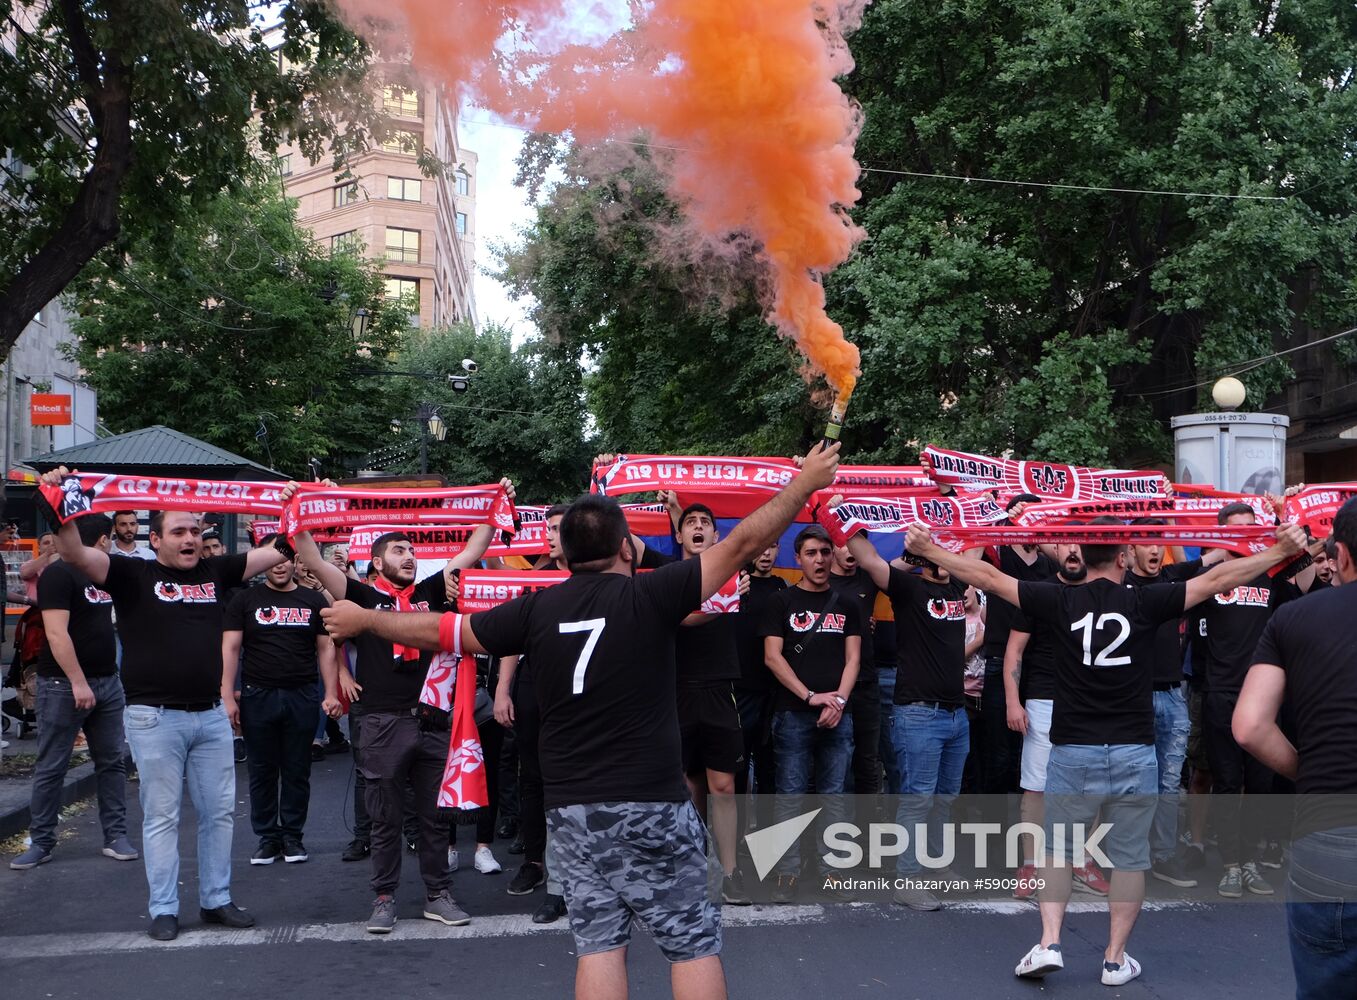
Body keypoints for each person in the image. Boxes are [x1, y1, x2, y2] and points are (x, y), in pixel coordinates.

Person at [321, 442, 842, 1000]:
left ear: (565, 554)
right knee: (691, 945)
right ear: (625, 547)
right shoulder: (653, 593)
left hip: (571, 810)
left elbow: (445, 632)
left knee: (598, 946)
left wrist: (366, 618)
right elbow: (742, 543)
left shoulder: (536, 609)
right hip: (651, 803)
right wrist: (804, 483)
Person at [904, 514, 1305, 986]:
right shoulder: (1145, 599)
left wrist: (929, 551)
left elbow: (989, 578)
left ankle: (1050, 942)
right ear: (1122, 557)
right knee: (1130, 858)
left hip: (1074, 749)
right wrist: (1279, 552)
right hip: (1134, 750)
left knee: (1056, 851)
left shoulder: (1058, 598)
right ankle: (1114, 959)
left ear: (1086, 556)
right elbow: (1217, 579)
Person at [40, 468, 296, 943]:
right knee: (162, 817)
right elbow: (73, 552)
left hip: (211, 717)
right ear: (154, 539)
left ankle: (216, 899)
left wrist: (294, 505)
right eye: (178, 531)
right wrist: (58, 500)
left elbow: (283, 548)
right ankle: (163, 908)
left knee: (219, 813)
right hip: (154, 718)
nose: (190, 539)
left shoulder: (216, 571)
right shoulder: (130, 573)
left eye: (195, 530)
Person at [289, 480, 512, 934]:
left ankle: (438, 894)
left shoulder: (432, 589)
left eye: (411, 550)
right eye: (398, 551)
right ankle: (384, 898)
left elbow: (475, 548)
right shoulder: (361, 596)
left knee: (434, 818)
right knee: (384, 819)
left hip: (432, 721)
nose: (409, 556)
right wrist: (298, 505)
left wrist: (496, 504)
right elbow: (310, 557)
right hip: (380, 722)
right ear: (376, 563)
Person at [1235, 496, 1357, 999]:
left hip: (1330, 832)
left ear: (1340, 554)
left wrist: (1310, 772)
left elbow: (1249, 726)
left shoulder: (1295, 618)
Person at [844, 514, 972, 911]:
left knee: (945, 799)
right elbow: (867, 558)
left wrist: (984, 503)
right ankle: (907, 878)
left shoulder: (958, 584)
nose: (945, 553)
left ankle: (935, 865)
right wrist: (837, 515)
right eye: (936, 547)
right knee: (918, 799)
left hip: (956, 714)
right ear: (922, 554)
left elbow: (978, 544)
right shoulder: (908, 587)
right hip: (919, 715)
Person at [10, 514, 137, 870]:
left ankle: (115, 835)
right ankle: (42, 842)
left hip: (107, 681)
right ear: (102, 540)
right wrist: (78, 682)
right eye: (110, 539)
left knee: (112, 762)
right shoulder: (59, 574)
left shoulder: (104, 574)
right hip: (63, 685)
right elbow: (55, 633)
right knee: (52, 765)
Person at [1197, 502, 1305, 896]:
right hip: (1219, 692)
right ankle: (1229, 864)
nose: (1245, 533)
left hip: (1262, 697)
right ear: (1222, 533)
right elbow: (1174, 584)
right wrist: (1212, 556)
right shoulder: (1208, 576)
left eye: (1251, 527)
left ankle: (1249, 861)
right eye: (1236, 528)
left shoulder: (1270, 575)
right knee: (1227, 783)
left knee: (1260, 783)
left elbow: (1306, 579)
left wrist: (1289, 519)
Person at [221, 536, 341, 866]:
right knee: (261, 770)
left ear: (296, 562)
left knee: (296, 770)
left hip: (302, 695)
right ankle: (268, 839)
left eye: (286, 558)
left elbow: (326, 648)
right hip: (257, 695)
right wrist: (226, 695)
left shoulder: (313, 600)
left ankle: (292, 837)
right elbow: (230, 648)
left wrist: (331, 693)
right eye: (273, 557)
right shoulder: (245, 600)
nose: (280, 564)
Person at [761, 524, 861, 901]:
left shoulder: (847, 603)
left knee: (836, 795)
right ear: (798, 559)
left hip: (838, 714)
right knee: (790, 794)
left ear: (832, 555)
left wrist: (838, 702)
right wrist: (810, 697)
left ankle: (833, 870)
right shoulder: (781, 602)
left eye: (824, 552)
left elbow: (854, 659)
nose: (819, 560)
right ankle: (787, 873)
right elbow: (772, 657)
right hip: (793, 713)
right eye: (811, 553)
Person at [659, 501, 751, 905]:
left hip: (718, 689)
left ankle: (730, 871)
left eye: (705, 523)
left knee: (724, 786)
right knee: (687, 783)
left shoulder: (732, 571)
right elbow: (679, 617)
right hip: (675, 690)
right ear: (679, 534)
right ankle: (697, 865)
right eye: (690, 523)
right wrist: (723, 602)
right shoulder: (667, 575)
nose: (698, 527)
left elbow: (755, 534)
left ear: (716, 535)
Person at [1003, 541, 1106, 899]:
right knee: (1037, 787)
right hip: (1044, 699)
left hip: (1090, 702)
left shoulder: (1101, 592)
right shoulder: (1039, 593)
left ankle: (1081, 860)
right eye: (1065, 544)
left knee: (1090, 787)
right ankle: (1031, 864)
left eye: (1079, 544)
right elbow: (1014, 650)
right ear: (1055, 549)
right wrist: (1013, 702)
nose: (1073, 550)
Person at [495, 502, 571, 923]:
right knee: (533, 779)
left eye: (558, 528)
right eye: (548, 528)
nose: (550, 535)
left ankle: (569, 878)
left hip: (576, 693)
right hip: (532, 688)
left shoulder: (594, 580)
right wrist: (503, 690)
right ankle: (535, 861)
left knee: (569, 782)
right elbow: (511, 638)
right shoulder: (534, 583)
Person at [1125, 518, 1202, 888]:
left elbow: (1215, 561)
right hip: (1132, 696)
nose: (1155, 548)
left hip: (1173, 694)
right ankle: (1129, 856)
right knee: (1132, 783)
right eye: (1146, 542)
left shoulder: (1172, 579)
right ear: (1131, 549)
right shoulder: (1117, 585)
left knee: (1169, 783)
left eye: (1160, 541)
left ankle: (1164, 856)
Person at [732, 543, 785, 828]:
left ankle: (766, 836)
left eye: (773, 546)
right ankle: (736, 836)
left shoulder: (782, 587)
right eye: (761, 547)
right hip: (740, 690)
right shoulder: (736, 583)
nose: (766, 553)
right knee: (738, 770)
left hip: (774, 691)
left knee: (770, 769)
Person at [827, 542, 881, 804]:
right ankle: (833, 825)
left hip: (867, 684)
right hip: (831, 687)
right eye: (843, 545)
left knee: (868, 763)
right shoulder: (819, 582)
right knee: (835, 763)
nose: (850, 551)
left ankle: (866, 827)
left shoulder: (869, 577)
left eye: (855, 545)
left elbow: (902, 565)